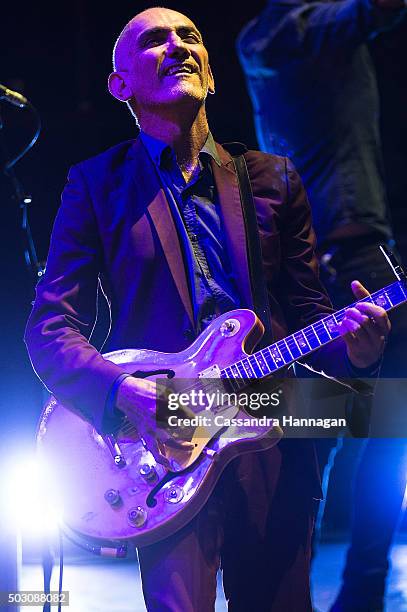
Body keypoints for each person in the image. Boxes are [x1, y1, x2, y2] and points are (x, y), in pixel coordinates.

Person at [25, 8, 391, 611]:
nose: (178, 46)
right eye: (154, 40)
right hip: (160, 436)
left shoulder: (272, 178)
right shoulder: (95, 184)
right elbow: (51, 326)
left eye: (190, 36)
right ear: (121, 85)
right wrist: (122, 391)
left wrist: (359, 350)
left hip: (273, 417)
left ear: (212, 75)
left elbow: (308, 314)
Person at [237, 1, 407, 610]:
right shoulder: (276, 33)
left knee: (387, 430)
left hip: (365, 254)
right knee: (319, 436)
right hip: (327, 268)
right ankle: (294, 593)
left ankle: (355, 588)